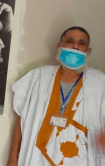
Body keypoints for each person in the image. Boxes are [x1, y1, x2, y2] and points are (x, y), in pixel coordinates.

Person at [7, 26, 105, 166]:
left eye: (81, 43)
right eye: (69, 41)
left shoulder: (100, 83)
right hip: (35, 159)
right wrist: (12, 158)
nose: (75, 46)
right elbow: (21, 122)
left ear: (88, 51)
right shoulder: (38, 77)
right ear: (59, 46)